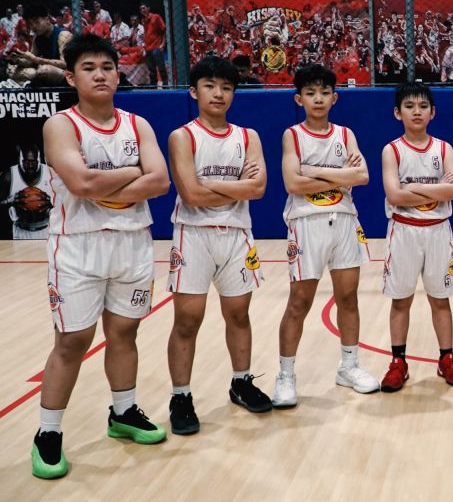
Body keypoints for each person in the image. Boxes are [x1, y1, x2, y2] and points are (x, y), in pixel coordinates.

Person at [31, 34, 170, 479]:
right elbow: (82, 184)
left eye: (107, 67)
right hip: (78, 246)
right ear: (72, 78)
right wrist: (134, 172)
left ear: (117, 73)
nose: (100, 75)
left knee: (125, 332)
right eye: (89, 68)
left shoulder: (137, 125)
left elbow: (161, 181)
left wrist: (106, 178)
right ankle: (48, 432)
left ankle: (123, 412)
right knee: (72, 341)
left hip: (132, 242)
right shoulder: (61, 126)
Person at [165, 57, 271, 436]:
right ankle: (181, 397)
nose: (219, 93)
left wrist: (210, 185)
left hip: (237, 233)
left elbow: (258, 189)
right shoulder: (183, 136)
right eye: (210, 85)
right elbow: (190, 195)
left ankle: (241, 381)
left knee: (239, 315)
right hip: (193, 234)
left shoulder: (248, 136)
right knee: (187, 319)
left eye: (226, 87)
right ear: (194, 91)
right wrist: (237, 186)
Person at [271, 65, 379, 407]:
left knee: (348, 297)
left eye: (324, 92)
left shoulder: (345, 134)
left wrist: (312, 171)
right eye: (310, 93)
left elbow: (362, 177)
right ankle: (286, 376)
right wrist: (339, 175)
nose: (318, 99)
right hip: (306, 223)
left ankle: (349, 366)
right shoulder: (292, 135)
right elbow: (293, 183)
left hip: (344, 220)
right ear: (298, 99)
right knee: (299, 302)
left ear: (335, 97)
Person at [379, 82, 453, 392]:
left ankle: (446, 359)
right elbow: (394, 195)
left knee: (440, 299)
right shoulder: (392, 150)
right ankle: (398, 362)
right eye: (409, 106)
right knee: (401, 300)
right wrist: (436, 189)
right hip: (404, 231)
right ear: (397, 113)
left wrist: (412, 189)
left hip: (438, 230)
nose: (416, 112)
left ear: (433, 112)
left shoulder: (443, 149)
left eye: (422, 106)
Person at [6, 5, 72, 86]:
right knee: (12, 68)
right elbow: (31, 62)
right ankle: (27, 84)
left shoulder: (63, 35)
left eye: (37, 22)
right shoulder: (37, 37)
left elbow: (65, 64)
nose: (33, 27)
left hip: (67, 75)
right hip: (44, 72)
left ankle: (25, 83)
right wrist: (17, 60)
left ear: (47, 19)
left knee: (44, 70)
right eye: (30, 24)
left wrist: (36, 59)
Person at [1, 143, 54, 239]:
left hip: (47, 230)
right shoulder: (8, 177)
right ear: (19, 160)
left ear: (39, 160)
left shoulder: (51, 174)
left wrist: (51, 201)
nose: (30, 165)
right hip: (20, 231)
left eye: (33, 161)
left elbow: (66, 201)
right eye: (26, 161)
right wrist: (11, 202)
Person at [140, 4, 167, 86]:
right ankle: (154, 86)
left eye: (144, 8)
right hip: (148, 47)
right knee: (151, 69)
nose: (142, 10)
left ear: (148, 8)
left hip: (156, 46)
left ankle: (165, 85)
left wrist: (163, 43)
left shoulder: (156, 17)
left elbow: (163, 30)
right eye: (141, 9)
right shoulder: (144, 20)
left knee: (161, 67)